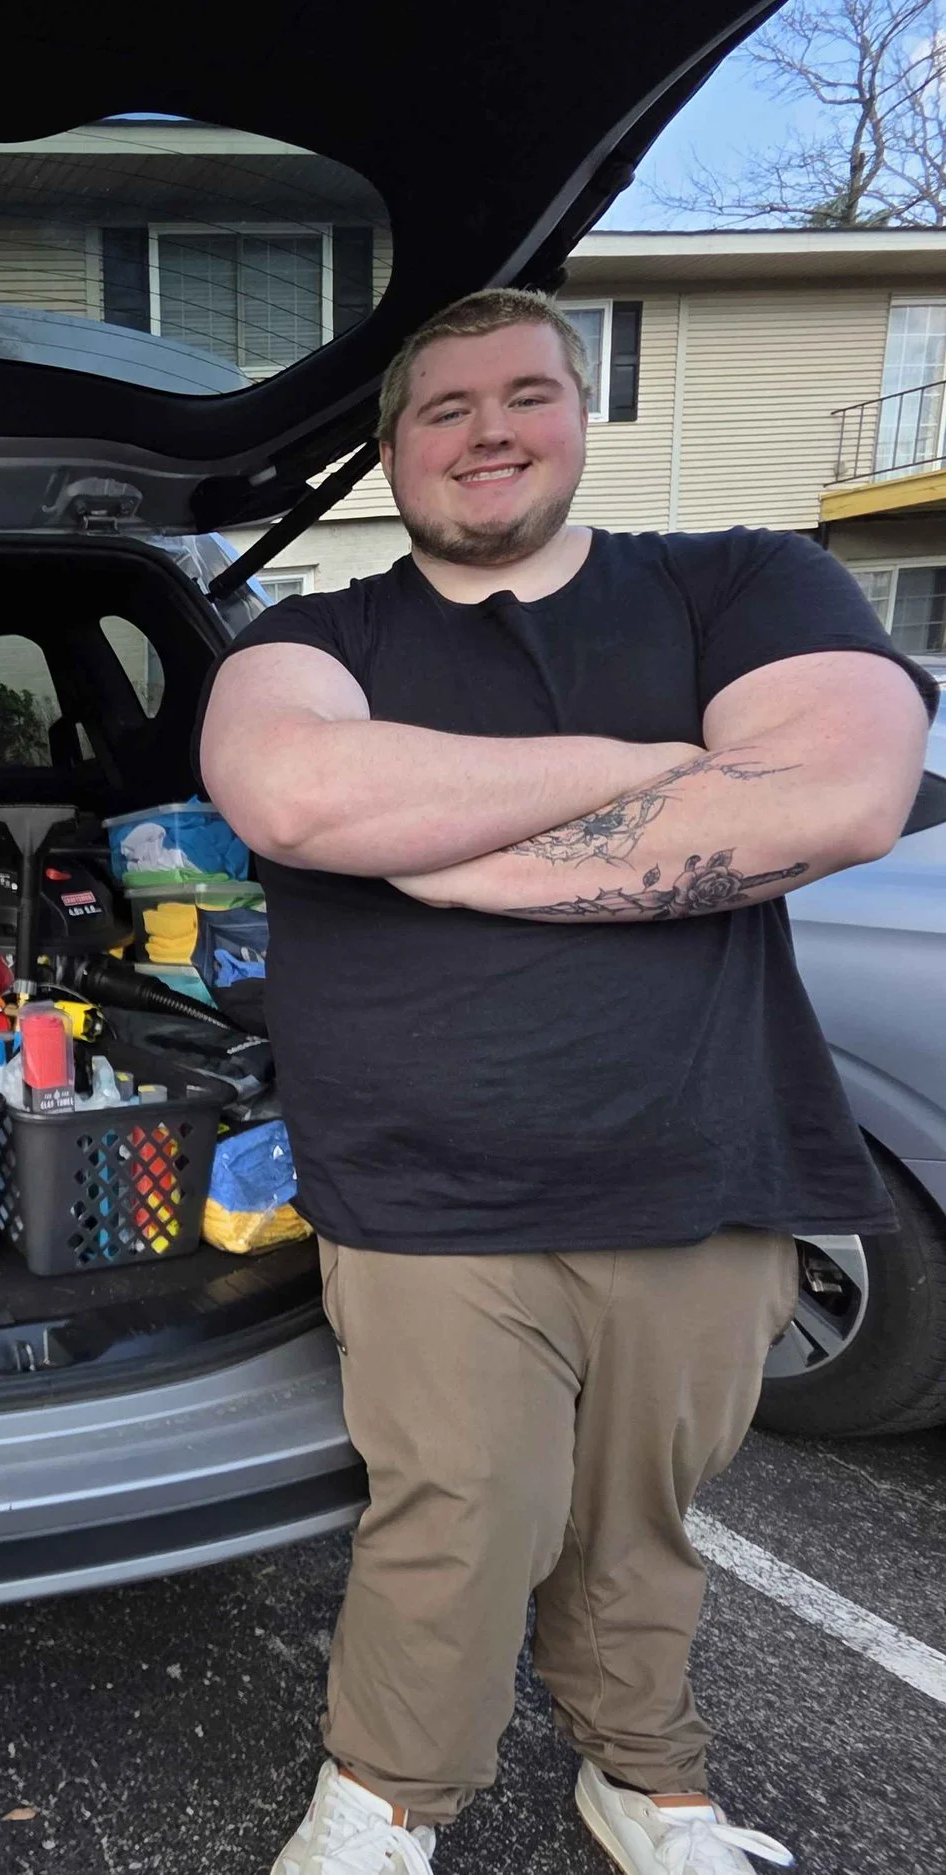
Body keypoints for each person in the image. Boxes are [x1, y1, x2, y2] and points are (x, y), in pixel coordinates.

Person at [199, 288, 936, 1875]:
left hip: (706, 1160)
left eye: (523, 394)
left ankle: (647, 1783)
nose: (486, 433)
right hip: (424, 1184)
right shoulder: (317, 637)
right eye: (443, 410)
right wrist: (665, 768)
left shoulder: (741, 580)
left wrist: (456, 854)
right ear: (393, 450)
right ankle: (384, 1803)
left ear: (578, 416)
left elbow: (849, 792)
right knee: (457, 1520)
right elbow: (293, 788)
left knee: (642, 1525)